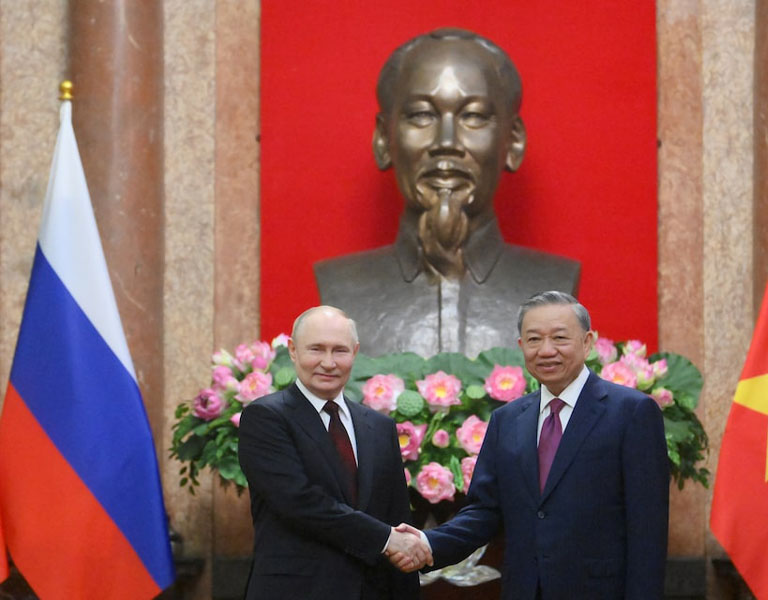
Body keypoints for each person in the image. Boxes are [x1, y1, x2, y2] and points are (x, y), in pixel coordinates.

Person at [315, 29, 580, 357]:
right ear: (383, 139)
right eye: (421, 115)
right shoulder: (340, 287)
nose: (446, 142)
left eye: (474, 116)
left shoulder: (556, 283)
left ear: (513, 141)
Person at [389, 291, 669, 599]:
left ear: (587, 342)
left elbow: (647, 529)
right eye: (534, 340)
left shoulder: (631, 412)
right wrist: (428, 543)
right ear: (521, 346)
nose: (546, 350)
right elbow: (484, 510)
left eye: (560, 338)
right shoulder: (507, 420)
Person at [238, 306, 430, 599]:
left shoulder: (379, 426)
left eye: (339, 350)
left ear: (355, 352)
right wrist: (386, 539)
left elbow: (396, 514)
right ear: (293, 350)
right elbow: (299, 502)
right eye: (316, 349)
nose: (328, 363)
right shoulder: (266, 417)